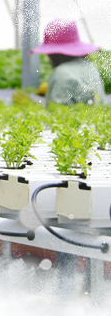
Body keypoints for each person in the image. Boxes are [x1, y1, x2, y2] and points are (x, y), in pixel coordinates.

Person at [30, 18, 105, 289]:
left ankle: (64, 288)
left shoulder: (61, 75)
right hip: (93, 149)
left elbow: (58, 120)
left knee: (68, 218)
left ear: (58, 52)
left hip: (70, 154)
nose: (48, 57)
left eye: (50, 53)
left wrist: (37, 107)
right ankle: (91, 286)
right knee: (91, 220)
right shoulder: (90, 69)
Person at [30, 19, 105, 107]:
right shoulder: (89, 66)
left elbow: (57, 113)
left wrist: (32, 104)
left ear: (53, 53)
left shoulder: (61, 73)